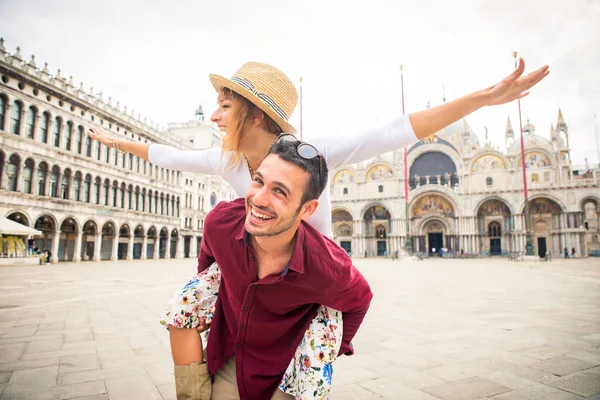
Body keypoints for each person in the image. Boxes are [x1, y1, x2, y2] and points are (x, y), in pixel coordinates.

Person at [88, 59, 550, 398]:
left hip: (313, 282)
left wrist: (485, 98)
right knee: (189, 304)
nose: (214, 116)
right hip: (255, 268)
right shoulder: (225, 160)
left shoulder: (316, 153)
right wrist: (116, 142)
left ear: (252, 114)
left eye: (223, 105)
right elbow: (169, 155)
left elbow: (396, 131)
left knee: (305, 373)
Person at [192, 138, 371, 399]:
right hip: (228, 359)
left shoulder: (326, 267)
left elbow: (361, 300)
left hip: (287, 373)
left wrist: (330, 351)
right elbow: (207, 260)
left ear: (307, 209)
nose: (258, 199)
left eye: (280, 191)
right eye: (259, 181)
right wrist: (205, 307)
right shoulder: (220, 223)